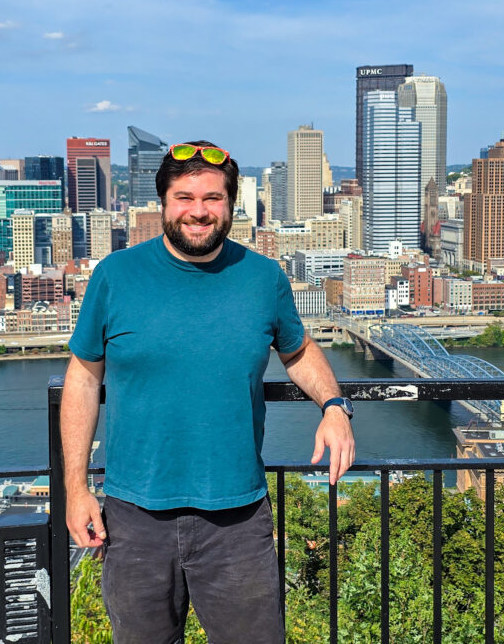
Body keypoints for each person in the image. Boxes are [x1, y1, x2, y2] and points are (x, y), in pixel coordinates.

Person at [61, 140, 356, 643]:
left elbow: (299, 350)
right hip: (135, 518)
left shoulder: (263, 276)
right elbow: (84, 378)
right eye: (185, 197)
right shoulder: (115, 276)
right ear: (163, 204)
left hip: (237, 519)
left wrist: (334, 406)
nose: (198, 211)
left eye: (213, 198)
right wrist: (76, 489)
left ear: (231, 205)